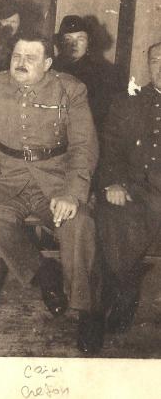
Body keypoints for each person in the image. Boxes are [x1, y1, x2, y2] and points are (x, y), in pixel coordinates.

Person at [0, 31, 104, 354]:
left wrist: (73, 193)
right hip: (6, 175)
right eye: (17, 56)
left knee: (80, 223)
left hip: (56, 177)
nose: (21, 63)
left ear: (47, 63)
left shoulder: (70, 89)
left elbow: (84, 146)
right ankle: (43, 272)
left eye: (30, 58)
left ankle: (87, 311)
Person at [97, 41, 161, 333]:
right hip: (135, 187)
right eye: (156, 61)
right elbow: (111, 149)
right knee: (111, 213)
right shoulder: (129, 102)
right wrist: (114, 182)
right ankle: (122, 291)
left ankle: (126, 283)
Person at [52, 15, 118, 129]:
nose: (74, 44)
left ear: (88, 43)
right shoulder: (50, 67)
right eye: (68, 39)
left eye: (80, 39)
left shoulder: (102, 72)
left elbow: (102, 115)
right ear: (61, 43)